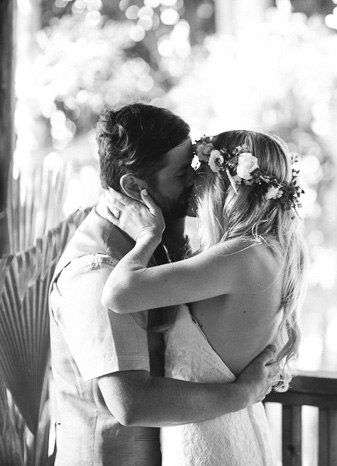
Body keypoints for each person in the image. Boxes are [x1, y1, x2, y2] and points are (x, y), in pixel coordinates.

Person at [49, 105, 278, 466]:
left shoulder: (155, 246)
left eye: (195, 165)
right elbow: (131, 403)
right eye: (182, 172)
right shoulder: (99, 271)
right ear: (134, 186)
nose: (197, 179)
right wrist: (243, 395)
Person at [98, 130, 308, 465]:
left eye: (200, 174)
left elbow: (118, 294)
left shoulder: (240, 255)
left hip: (211, 443)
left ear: (225, 182)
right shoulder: (276, 250)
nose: (193, 188)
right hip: (233, 430)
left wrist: (148, 236)